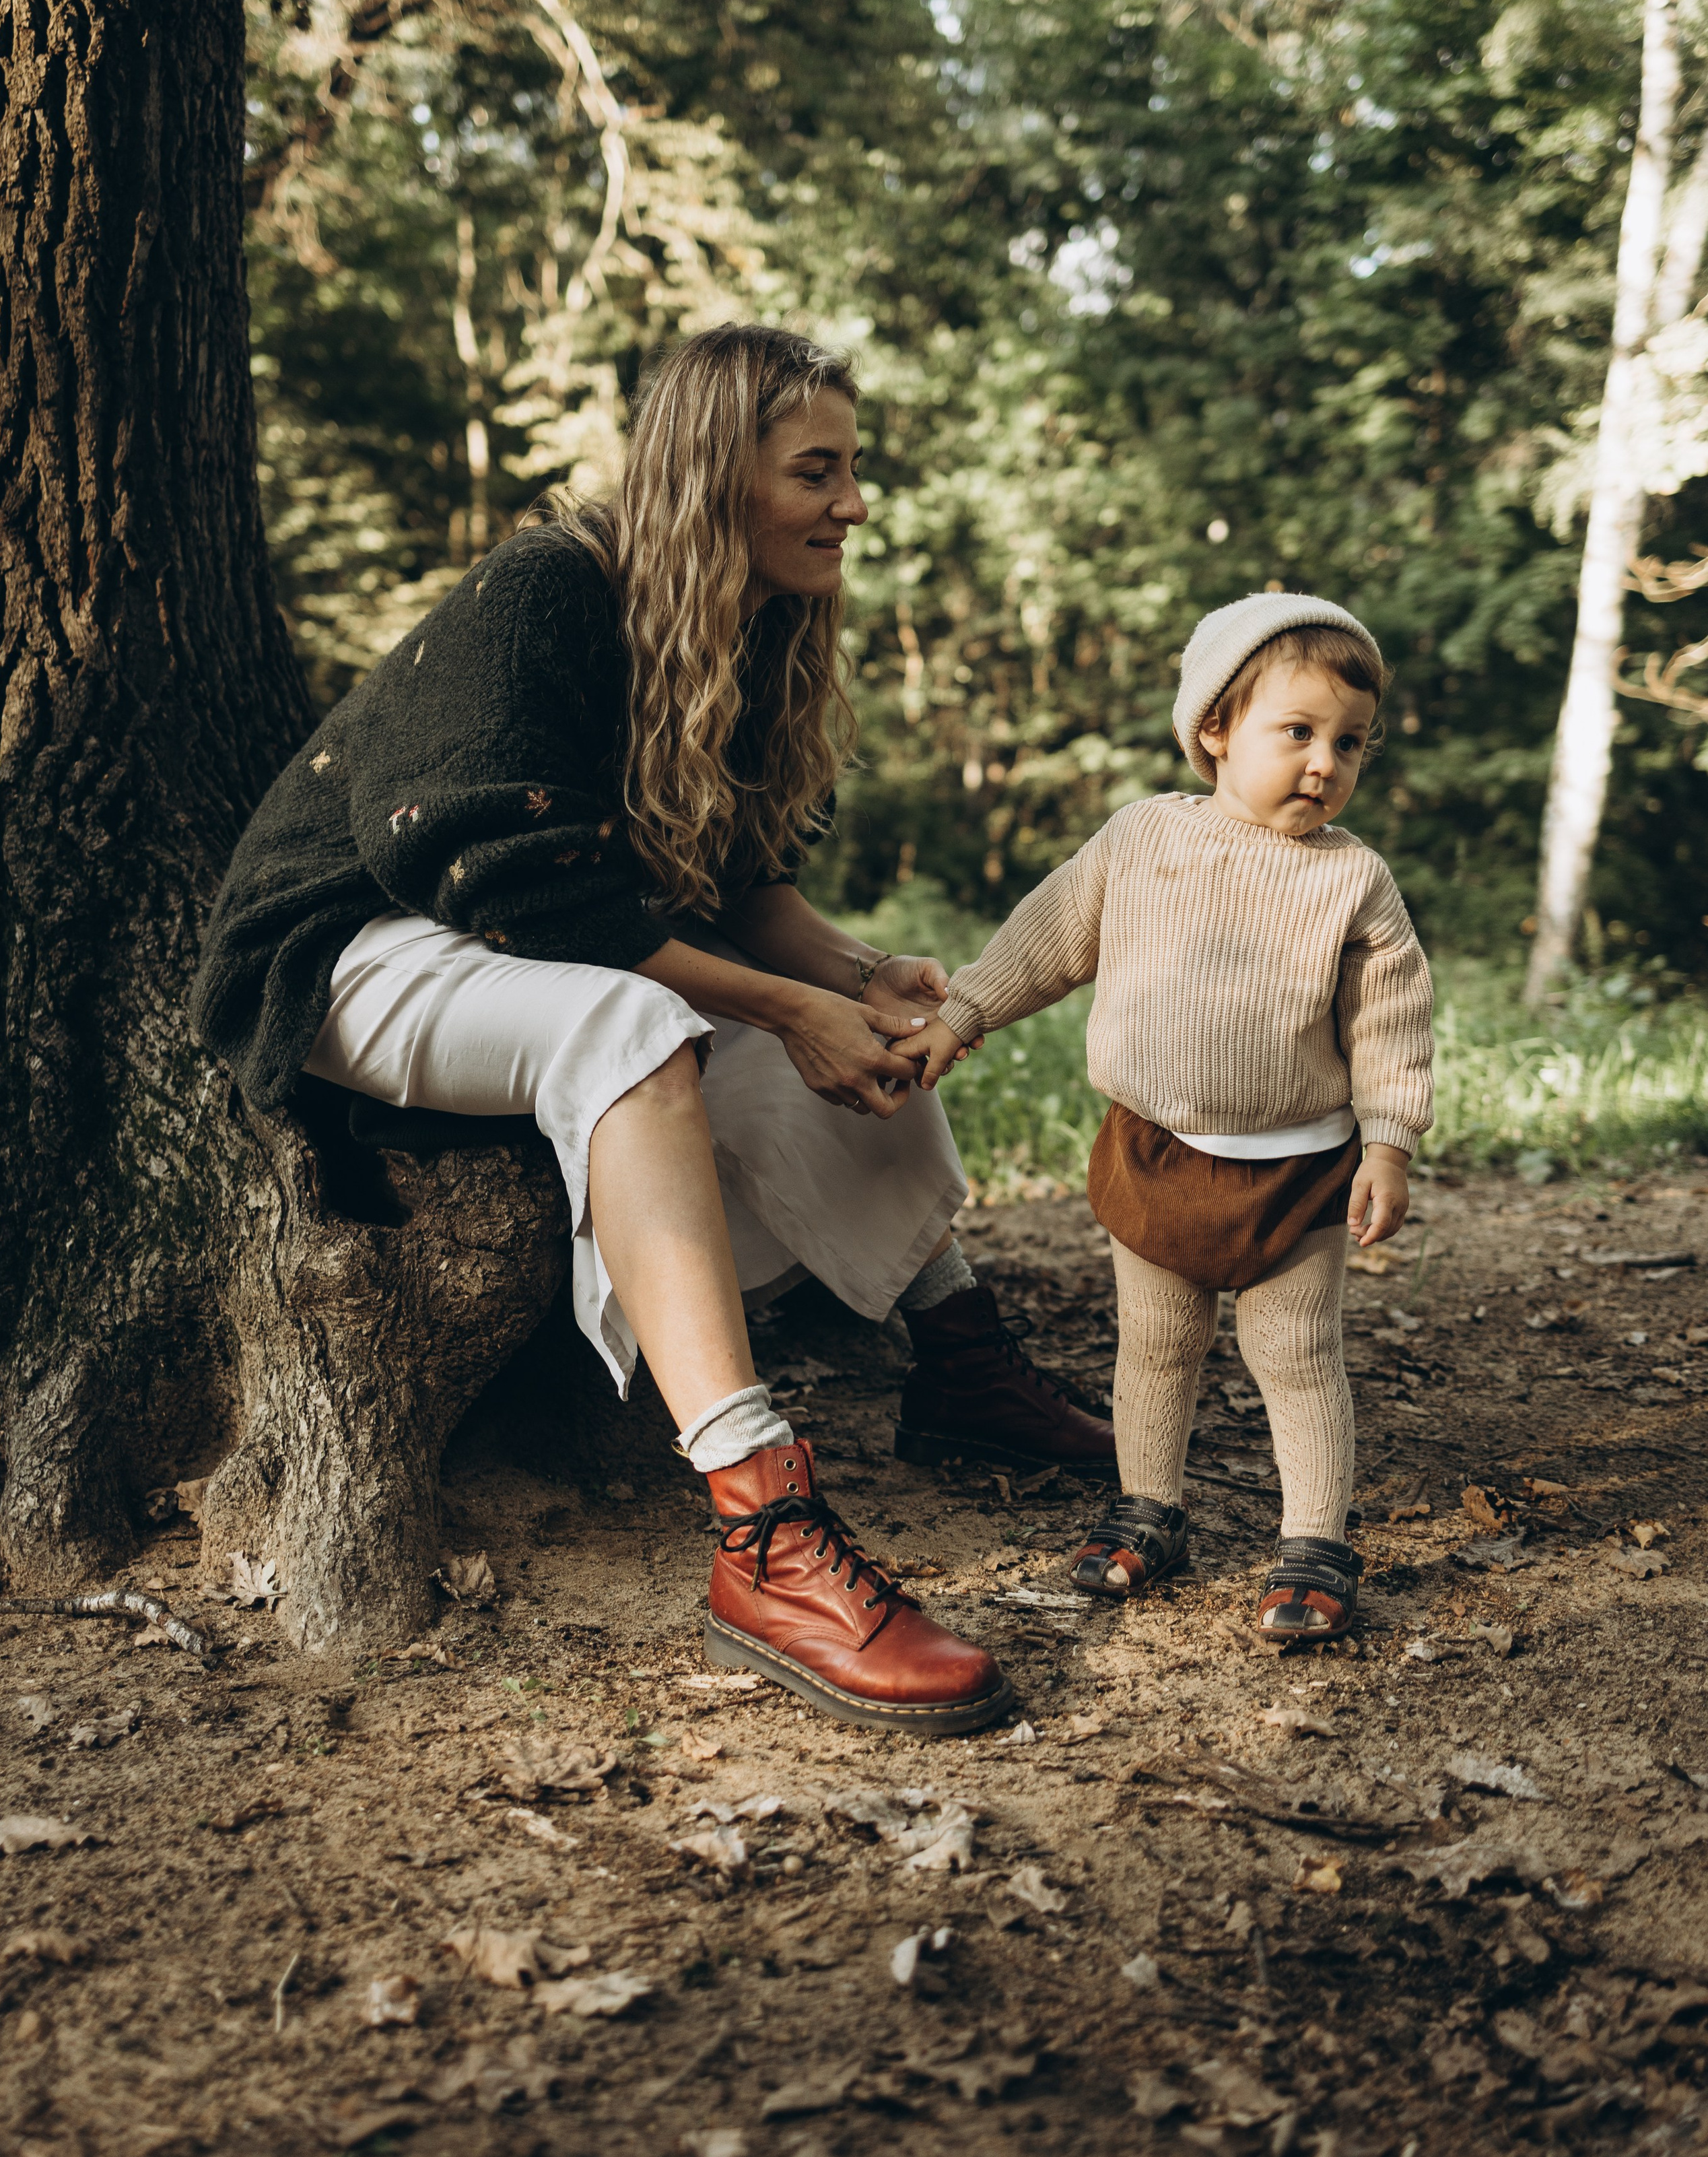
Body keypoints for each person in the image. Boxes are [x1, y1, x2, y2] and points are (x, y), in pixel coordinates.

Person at [191, 324, 1112, 1737]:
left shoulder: (751, 634)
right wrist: (779, 1003)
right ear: (709, 473)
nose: (853, 504)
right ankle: (762, 1530)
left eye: (853, 471)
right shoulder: (544, 592)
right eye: (818, 471)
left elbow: (750, 904)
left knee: (765, 1020)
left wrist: (859, 979)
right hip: (350, 954)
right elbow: (496, 875)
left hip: (542, 952)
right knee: (632, 1026)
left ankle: (962, 1362)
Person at [897, 593, 1435, 1645]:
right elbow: (1047, 937)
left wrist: (1388, 1142)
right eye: (1299, 732)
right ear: (1216, 730)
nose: (1325, 763)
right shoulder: (1142, 839)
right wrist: (959, 1016)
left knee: (1297, 1354)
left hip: (1297, 1171)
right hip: (1154, 1152)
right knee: (1156, 1345)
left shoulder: (1354, 881)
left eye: (1351, 743)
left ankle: (1317, 1538)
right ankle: (1150, 1508)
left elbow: (1390, 1022)